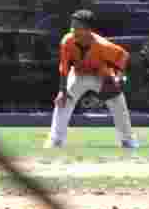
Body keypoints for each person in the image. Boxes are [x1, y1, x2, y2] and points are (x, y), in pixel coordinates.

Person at [44, 9, 140, 149]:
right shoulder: (67, 40)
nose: (73, 30)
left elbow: (123, 57)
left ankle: (128, 140)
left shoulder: (103, 45)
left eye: (77, 27)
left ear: (88, 30)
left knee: (118, 103)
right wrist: (62, 91)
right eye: (72, 26)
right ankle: (56, 140)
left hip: (99, 75)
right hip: (78, 74)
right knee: (63, 101)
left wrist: (118, 80)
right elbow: (64, 67)